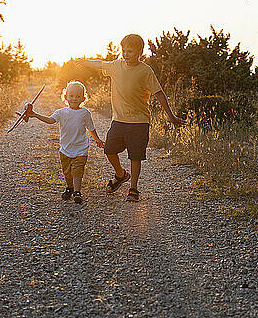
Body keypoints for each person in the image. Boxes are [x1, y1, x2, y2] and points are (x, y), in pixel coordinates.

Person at [77, 34, 184, 202]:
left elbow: (159, 93)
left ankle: (133, 188)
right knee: (109, 149)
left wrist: (170, 115)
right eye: (123, 50)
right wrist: (84, 61)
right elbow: (99, 64)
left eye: (130, 51)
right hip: (119, 120)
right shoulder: (116, 65)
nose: (125, 54)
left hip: (140, 121)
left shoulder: (145, 70)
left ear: (139, 52)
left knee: (135, 156)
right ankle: (120, 175)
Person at [27, 81, 104, 204]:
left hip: (81, 148)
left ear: (83, 98)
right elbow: (50, 120)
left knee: (78, 170)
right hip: (65, 149)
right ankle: (70, 188)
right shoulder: (61, 112)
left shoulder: (85, 113)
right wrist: (35, 115)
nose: (74, 98)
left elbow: (91, 128)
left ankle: (77, 192)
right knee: (67, 172)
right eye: (71, 95)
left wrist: (97, 139)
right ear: (66, 97)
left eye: (78, 96)